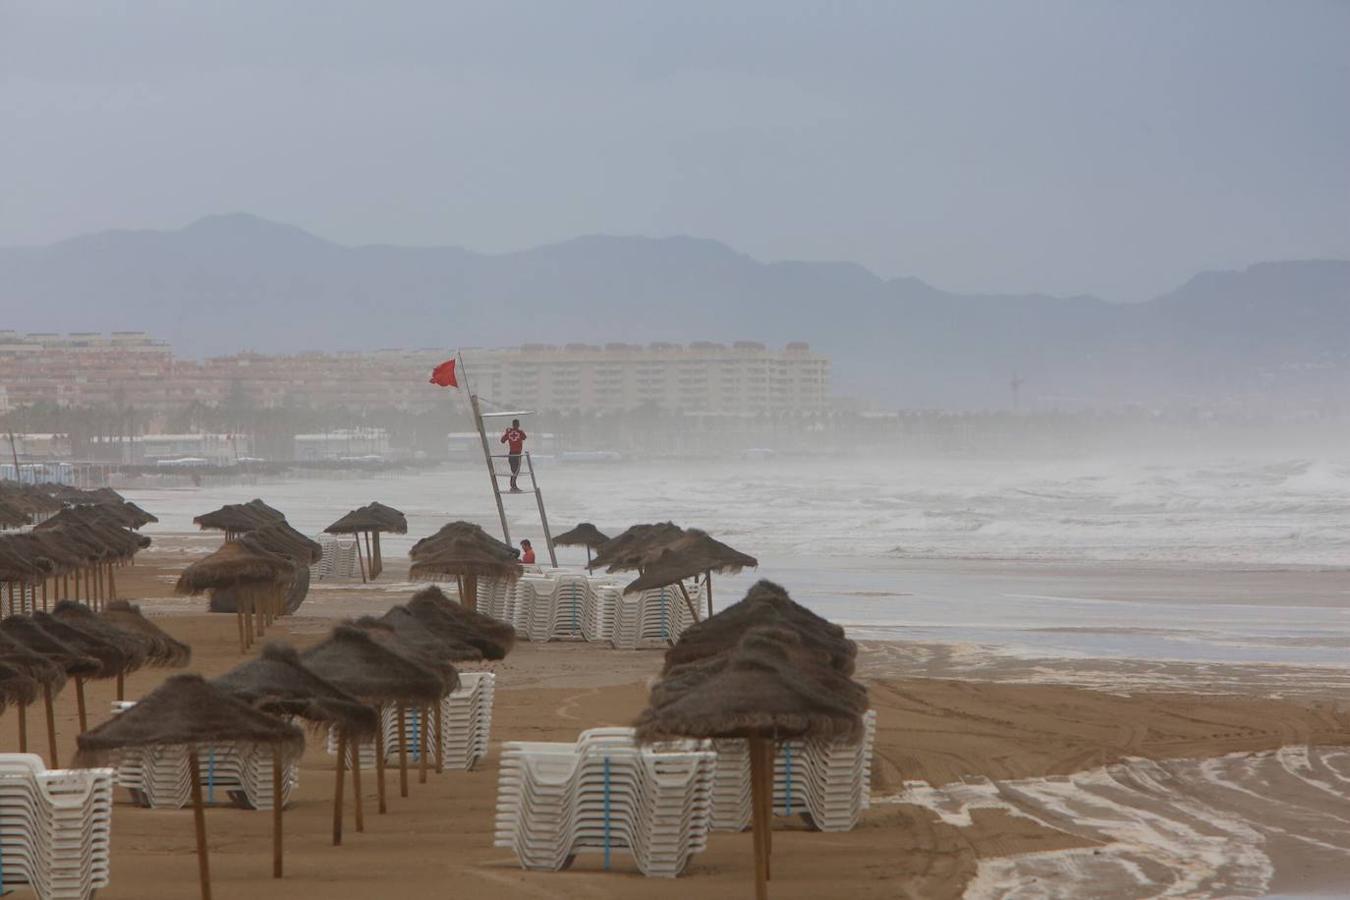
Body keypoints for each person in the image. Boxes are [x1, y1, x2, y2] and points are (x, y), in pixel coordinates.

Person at [500, 418, 527, 492]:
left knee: (514, 471)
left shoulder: (509, 432)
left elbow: (502, 440)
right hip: (517, 455)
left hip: (511, 454)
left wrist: (508, 432)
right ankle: (513, 486)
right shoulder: (520, 432)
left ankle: (513, 486)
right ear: (518, 425)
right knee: (516, 471)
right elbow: (524, 437)